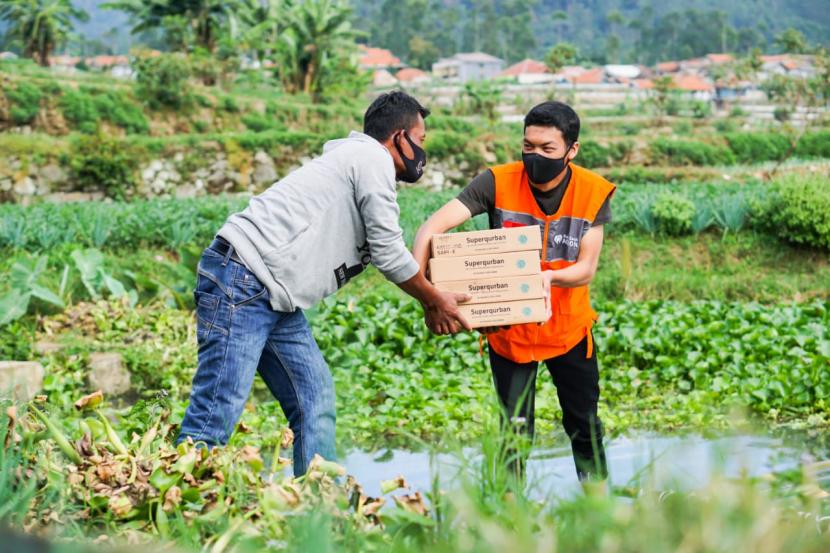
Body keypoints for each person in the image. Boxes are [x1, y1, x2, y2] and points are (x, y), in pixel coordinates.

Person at [177, 91, 470, 475]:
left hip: (276, 295)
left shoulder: (358, 163)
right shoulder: (370, 158)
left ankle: (319, 509)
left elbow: (388, 251)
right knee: (216, 411)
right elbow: (387, 251)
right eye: (421, 140)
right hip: (246, 280)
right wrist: (434, 300)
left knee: (314, 398)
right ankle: (175, 504)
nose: (422, 151)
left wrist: (432, 293)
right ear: (399, 137)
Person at [412, 101, 615, 485]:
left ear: (572, 150)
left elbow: (586, 269)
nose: (535, 156)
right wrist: (428, 298)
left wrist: (549, 279)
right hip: (510, 333)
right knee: (514, 431)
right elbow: (429, 230)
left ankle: (599, 513)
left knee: (583, 423)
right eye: (528, 147)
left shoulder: (592, 191)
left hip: (568, 331)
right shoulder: (496, 181)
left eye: (547, 149)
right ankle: (510, 520)